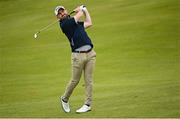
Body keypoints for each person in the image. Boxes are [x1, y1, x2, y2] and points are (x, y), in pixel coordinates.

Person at [54, 5, 96, 113]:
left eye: (62, 11)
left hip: (90, 54)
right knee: (75, 80)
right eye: (59, 13)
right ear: (58, 17)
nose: (62, 13)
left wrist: (85, 10)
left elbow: (89, 23)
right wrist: (81, 9)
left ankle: (87, 104)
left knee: (89, 81)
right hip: (78, 56)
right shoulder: (65, 24)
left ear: (66, 11)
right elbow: (78, 15)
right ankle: (64, 98)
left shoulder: (75, 22)